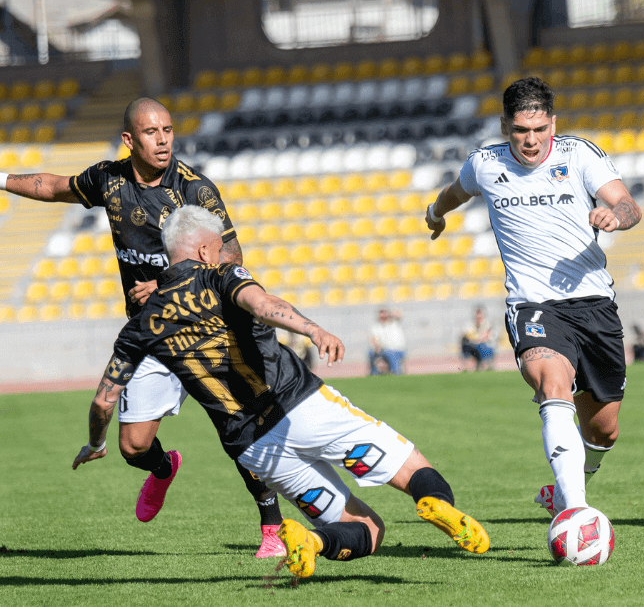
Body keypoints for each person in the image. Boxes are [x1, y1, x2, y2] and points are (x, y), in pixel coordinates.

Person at [71, 206, 489, 579]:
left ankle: (313, 541)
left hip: (252, 448)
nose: (223, 255)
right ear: (203, 251)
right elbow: (263, 304)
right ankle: (435, 501)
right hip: (300, 407)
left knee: (368, 528)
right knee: (412, 469)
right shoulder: (220, 276)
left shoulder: (143, 322)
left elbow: (104, 400)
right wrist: (313, 329)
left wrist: (94, 443)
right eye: (218, 248)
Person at [0, 98, 286, 556]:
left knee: (234, 428)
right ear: (130, 140)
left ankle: (272, 528)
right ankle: (163, 468)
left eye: (168, 130)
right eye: (152, 132)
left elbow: (231, 258)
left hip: (203, 331)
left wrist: (169, 281)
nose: (164, 140)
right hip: (152, 334)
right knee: (133, 447)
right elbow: (52, 186)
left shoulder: (195, 189)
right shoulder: (108, 180)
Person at [424, 77, 642, 518]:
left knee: (604, 431)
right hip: (532, 305)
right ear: (506, 126)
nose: (531, 140)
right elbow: (456, 191)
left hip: (594, 304)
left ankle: (566, 489)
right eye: (521, 130)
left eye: (540, 129)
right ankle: (576, 511)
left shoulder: (579, 155)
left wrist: (615, 217)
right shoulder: (485, 163)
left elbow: (629, 205)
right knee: (552, 385)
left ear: (553, 124)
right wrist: (435, 213)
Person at [368, 308, 406, 375]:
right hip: (383, 349)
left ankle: (396, 371)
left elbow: (399, 314)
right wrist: (376, 346)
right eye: (381, 315)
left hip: (397, 349)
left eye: (384, 314)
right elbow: (373, 339)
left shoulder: (394, 323)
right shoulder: (376, 327)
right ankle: (374, 372)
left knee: (391, 353)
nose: (382, 317)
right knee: (370, 352)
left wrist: (389, 314)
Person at [460, 306, 497, 371]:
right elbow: (465, 334)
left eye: (479, 316)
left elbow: (488, 337)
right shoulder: (471, 324)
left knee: (480, 347)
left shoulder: (488, 324)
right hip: (474, 345)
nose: (478, 318)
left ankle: (484, 365)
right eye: (477, 316)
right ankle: (468, 365)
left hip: (485, 346)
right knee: (465, 345)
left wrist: (478, 339)